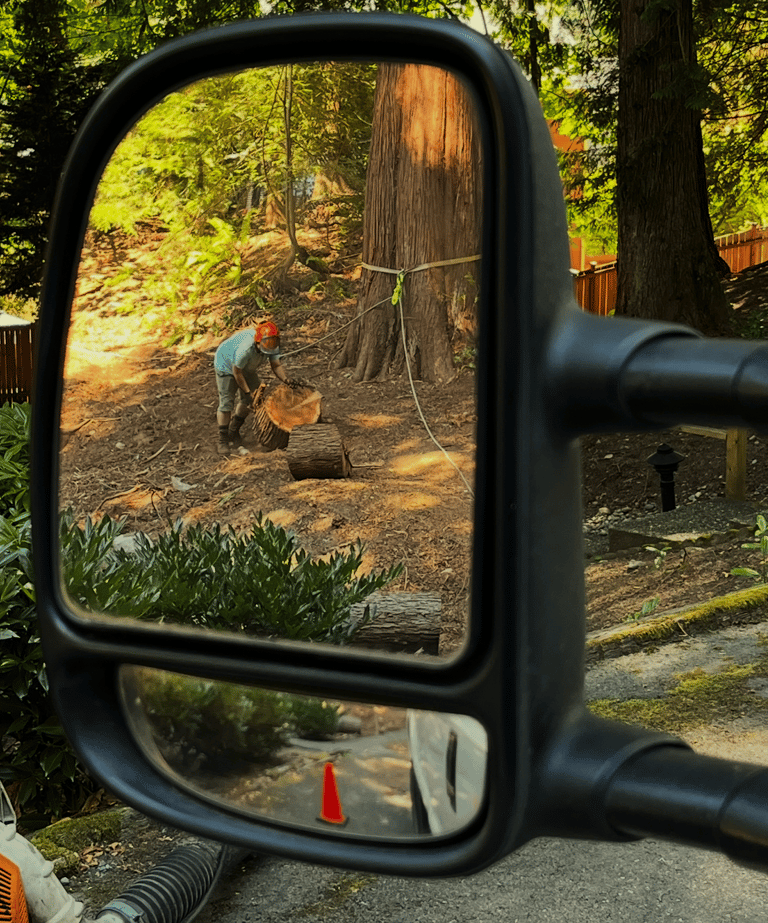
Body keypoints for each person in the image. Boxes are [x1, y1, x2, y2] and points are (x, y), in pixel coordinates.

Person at [213, 320, 290, 455]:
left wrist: (287, 380)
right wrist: (247, 391)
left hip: (246, 368)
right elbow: (237, 373)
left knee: (253, 399)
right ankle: (222, 439)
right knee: (226, 403)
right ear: (258, 341)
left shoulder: (272, 346)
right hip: (226, 366)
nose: (270, 346)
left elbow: (276, 365)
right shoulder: (246, 349)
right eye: (267, 343)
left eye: (273, 343)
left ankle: (234, 430)